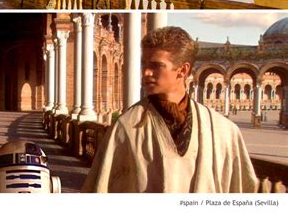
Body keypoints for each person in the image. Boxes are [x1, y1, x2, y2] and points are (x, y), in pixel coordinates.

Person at [82, 26, 258, 193]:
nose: (146, 73)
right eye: (144, 64)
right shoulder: (127, 128)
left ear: (182, 70)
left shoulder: (223, 132)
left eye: (156, 65)